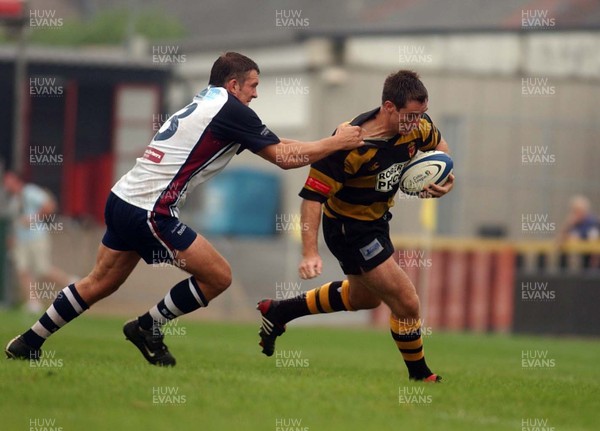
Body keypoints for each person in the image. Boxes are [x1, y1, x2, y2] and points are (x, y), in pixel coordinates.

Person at [5, 52, 364, 365]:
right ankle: (147, 327)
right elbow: (285, 158)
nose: (256, 93)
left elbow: (277, 143)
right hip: (150, 211)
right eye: (253, 85)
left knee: (98, 282)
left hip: (122, 199)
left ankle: (28, 341)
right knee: (218, 277)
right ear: (234, 83)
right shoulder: (231, 108)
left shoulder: (209, 102)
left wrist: (326, 144)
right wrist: (335, 143)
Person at [257, 70, 454, 382]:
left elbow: (441, 147)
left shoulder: (418, 126)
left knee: (365, 299)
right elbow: (311, 199)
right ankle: (420, 375)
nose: (417, 122)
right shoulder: (349, 143)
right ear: (389, 107)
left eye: (421, 115)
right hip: (349, 229)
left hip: (377, 221)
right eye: (411, 116)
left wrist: (438, 177)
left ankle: (281, 311)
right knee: (406, 302)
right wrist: (309, 253)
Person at [3, 171, 76, 312]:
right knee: (22, 270)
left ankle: (72, 283)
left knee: (43, 269)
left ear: (16, 181)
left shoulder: (30, 192)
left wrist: (33, 218)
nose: (6, 184)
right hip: (20, 240)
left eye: (8, 181)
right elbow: (15, 222)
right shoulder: (12, 200)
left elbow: (49, 205)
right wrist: (11, 238)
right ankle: (33, 302)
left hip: (36, 237)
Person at [558, 195, 600, 269]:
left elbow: (594, 242)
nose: (576, 213)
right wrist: (567, 225)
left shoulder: (592, 222)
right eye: (574, 211)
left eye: (578, 210)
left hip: (592, 261)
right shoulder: (573, 223)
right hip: (579, 260)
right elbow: (559, 241)